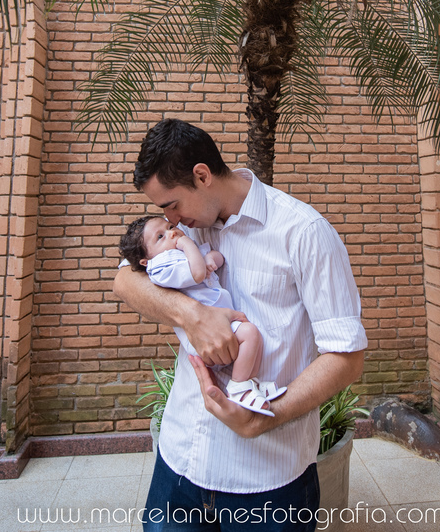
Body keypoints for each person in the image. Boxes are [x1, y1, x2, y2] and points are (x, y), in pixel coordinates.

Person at [113, 118, 367, 532]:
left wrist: (266, 416)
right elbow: (125, 279)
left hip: (266, 479)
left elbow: (347, 357)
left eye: (172, 204)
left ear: (202, 175)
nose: (170, 219)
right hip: (179, 461)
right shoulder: (182, 233)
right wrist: (192, 316)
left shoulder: (304, 232)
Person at [118, 214, 285, 415]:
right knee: (250, 334)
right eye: (160, 237)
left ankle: (251, 383)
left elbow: (217, 258)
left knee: (252, 338)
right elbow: (197, 272)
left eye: (170, 227)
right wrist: (186, 243)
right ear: (145, 261)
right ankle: (238, 386)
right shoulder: (162, 265)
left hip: (219, 322)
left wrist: (209, 259)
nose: (172, 233)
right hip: (204, 336)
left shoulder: (180, 254)